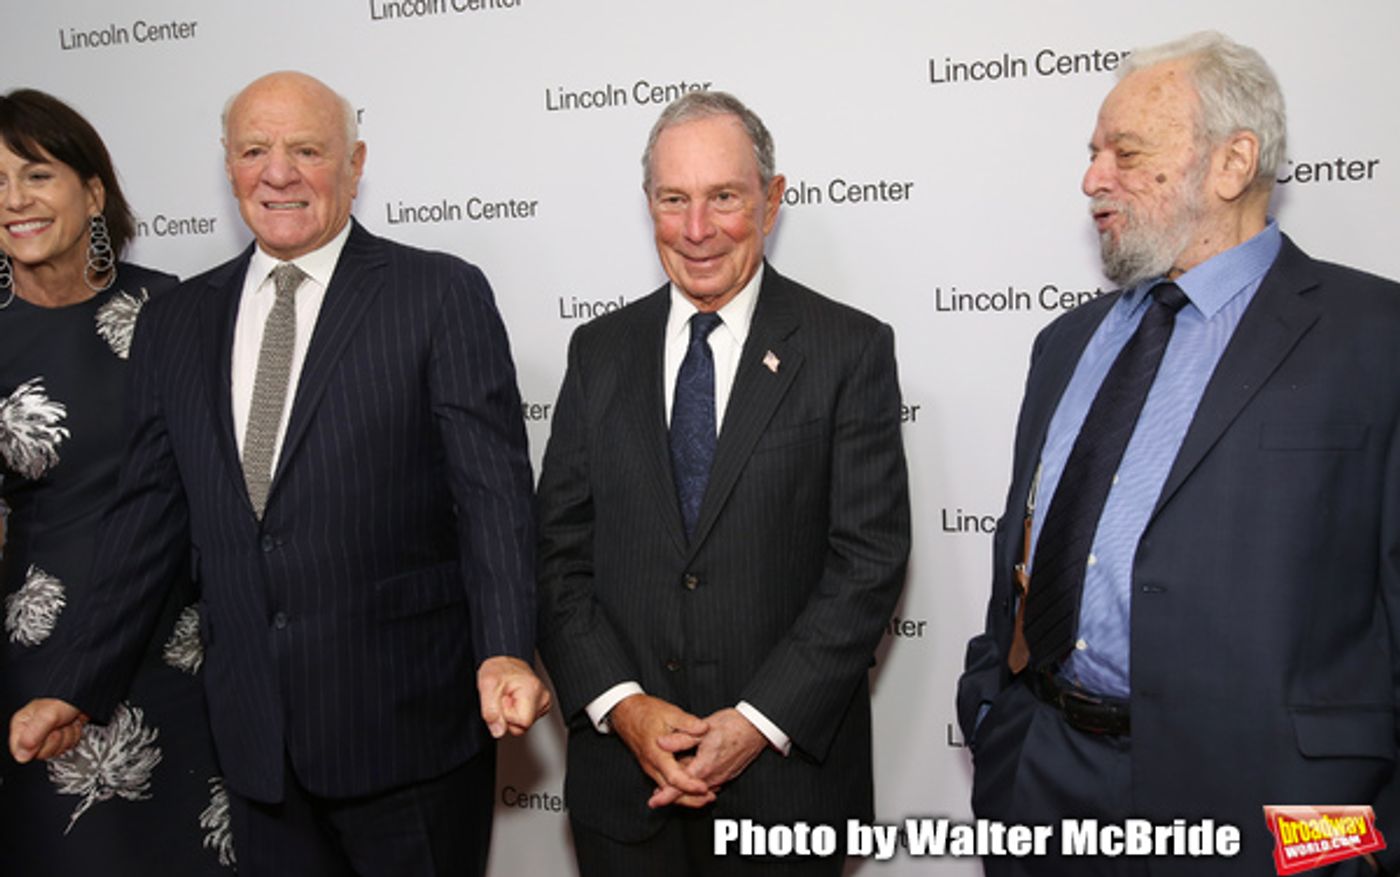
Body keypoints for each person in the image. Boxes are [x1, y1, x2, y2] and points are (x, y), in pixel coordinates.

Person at [8, 71, 549, 877]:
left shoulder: (436, 293)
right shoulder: (179, 321)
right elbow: (149, 522)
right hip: (256, 750)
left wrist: (506, 647)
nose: (279, 172)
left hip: (408, 736)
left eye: (306, 150)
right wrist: (75, 683)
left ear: (356, 162)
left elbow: (492, 496)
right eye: (255, 150)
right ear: (228, 167)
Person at [957, 31, 1400, 876]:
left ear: (1233, 163)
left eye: (1126, 151)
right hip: (1043, 784)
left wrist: (1369, 845)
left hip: (1264, 816)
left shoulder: (1376, 339)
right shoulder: (1065, 342)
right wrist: (993, 712)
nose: (1093, 178)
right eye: (1092, 153)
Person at [536, 90, 910, 876]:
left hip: (785, 790)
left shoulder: (849, 349)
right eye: (674, 199)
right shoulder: (597, 352)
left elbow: (867, 561)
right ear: (649, 205)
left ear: (771, 201)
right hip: (624, 795)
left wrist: (755, 720)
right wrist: (625, 708)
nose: (697, 229)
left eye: (724, 198)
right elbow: (556, 552)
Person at [0, 88, 230, 873]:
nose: (13, 202)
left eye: (35, 175)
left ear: (93, 190)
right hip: (41, 661)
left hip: (181, 653)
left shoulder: (177, 309)